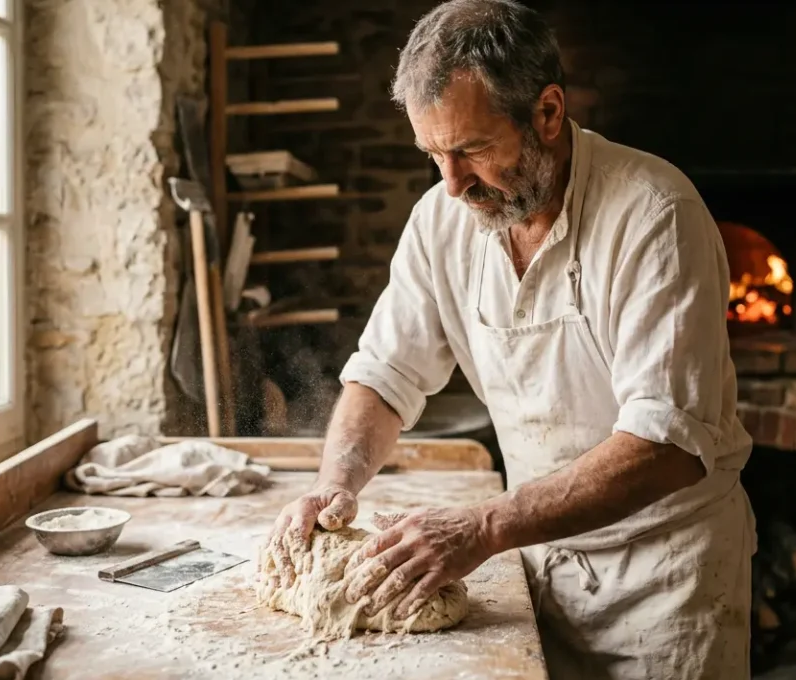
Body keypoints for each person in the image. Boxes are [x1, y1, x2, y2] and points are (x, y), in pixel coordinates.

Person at [263, 0, 755, 677]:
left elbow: (665, 445)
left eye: (471, 149)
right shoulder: (441, 220)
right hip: (531, 562)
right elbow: (383, 374)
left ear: (548, 112)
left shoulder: (654, 214)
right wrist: (336, 483)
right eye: (433, 154)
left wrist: (483, 526)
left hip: (659, 588)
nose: (452, 183)